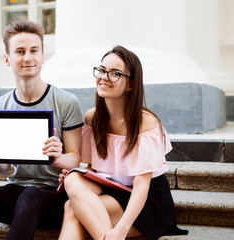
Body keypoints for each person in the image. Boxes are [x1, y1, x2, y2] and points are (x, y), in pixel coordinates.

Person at [0, 20, 83, 240]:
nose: (28, 57)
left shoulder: (66, 102)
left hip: (54, 197)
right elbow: (4, 170)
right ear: (8, 58)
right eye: (20, 51)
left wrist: (58, 157)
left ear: (43, 56)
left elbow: (76, 160)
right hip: (17, 195)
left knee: (30, 194)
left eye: (34, 50)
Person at [58, 46, 188, 240]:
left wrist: (121, 229)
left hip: (146, 202)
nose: (104, 77)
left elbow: (141, 186)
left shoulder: (146, 123)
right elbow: (93, 170)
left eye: (115, 73)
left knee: (71, 208)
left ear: (130, 85)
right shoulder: (92, 118)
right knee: (72, 180)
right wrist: (76, 183)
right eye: (101, 70)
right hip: (113, 191)